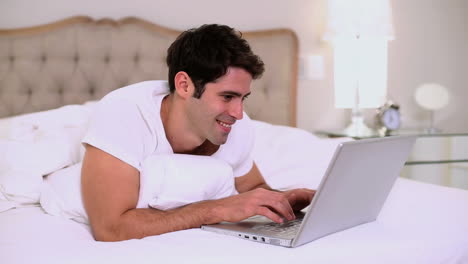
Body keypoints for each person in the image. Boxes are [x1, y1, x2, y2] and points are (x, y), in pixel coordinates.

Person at [81, 24, 315, 242]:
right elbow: (109, 228)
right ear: (184, 85)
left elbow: (253, 189)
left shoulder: (239, 128)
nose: (239, 113)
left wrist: (283, 199)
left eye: (243, 98)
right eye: (227, 96)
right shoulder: (125, 114)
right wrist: (217, 208)